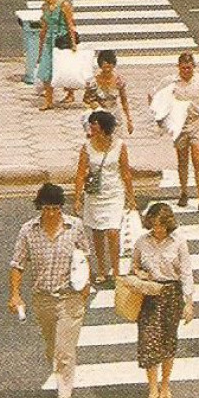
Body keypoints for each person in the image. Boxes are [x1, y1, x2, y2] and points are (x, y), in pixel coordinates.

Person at [8, 183, 92, 398]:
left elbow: (84, 255)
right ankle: (61, 378)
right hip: (42, 298)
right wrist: (15, 294)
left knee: (65, 351)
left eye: (55, 208)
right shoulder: (28, 230)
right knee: (52, 349)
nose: (51, 213)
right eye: (47, 209)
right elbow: (18, 264)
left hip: (69, 297)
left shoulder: (75, 227)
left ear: (61, 207)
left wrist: (86, 284)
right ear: (40, 207)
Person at [132, 201, 194, 398]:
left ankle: (165, 384)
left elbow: (186, 272)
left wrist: (188, 302)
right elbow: (134, 266)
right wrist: (140, 273)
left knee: (168, 340)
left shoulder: (178, 242)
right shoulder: (142, 242)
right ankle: (152, 389)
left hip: (171, 294)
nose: (157, 230)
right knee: (148, 341)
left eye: (161, 225)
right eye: (154, 225)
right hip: (150, 294)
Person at [74, 111, 134, 289]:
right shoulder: (86, 147)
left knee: (113, 232)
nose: (91, 127)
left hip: (114, 193)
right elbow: (80, 173)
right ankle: (101, 269)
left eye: (94, 124)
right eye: (91, 124)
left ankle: (115, 270)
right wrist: (77, 198)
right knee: (97, 233)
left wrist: (131, 197)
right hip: (94, 194)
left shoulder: (120, 146)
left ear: (104, 127)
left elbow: (125, 172)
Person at [159, 53, 199, 215]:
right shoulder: (171, 83)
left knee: (198, 161)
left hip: (196, 124)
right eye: (183, 68)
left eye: (189, 68)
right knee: (182, 161)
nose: (186, 71)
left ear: (193, 67)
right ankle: (184, 191)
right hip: (179, 125)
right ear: (179, 68)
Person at [35, 0, 80, 111]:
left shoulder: (63, 5)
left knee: (64, 69)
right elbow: (44, 28)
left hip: (61, 40)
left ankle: (70, 93)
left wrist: (73, 44)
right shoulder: (45, 7)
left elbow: (70, 25)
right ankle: (49, 101)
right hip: (49, 41)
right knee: (46, 71)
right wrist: (41, 47)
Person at [83, 49, 134, 134]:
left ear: (113, 65)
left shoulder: (119, 81)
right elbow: (86, 100)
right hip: (98, 118)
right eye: (105, 66)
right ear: (100, 65)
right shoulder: (92, 82)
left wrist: (129, 120)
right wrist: (94, 106)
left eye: (110, 66)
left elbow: (124, 101)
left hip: (115, 116)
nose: (107, 69)